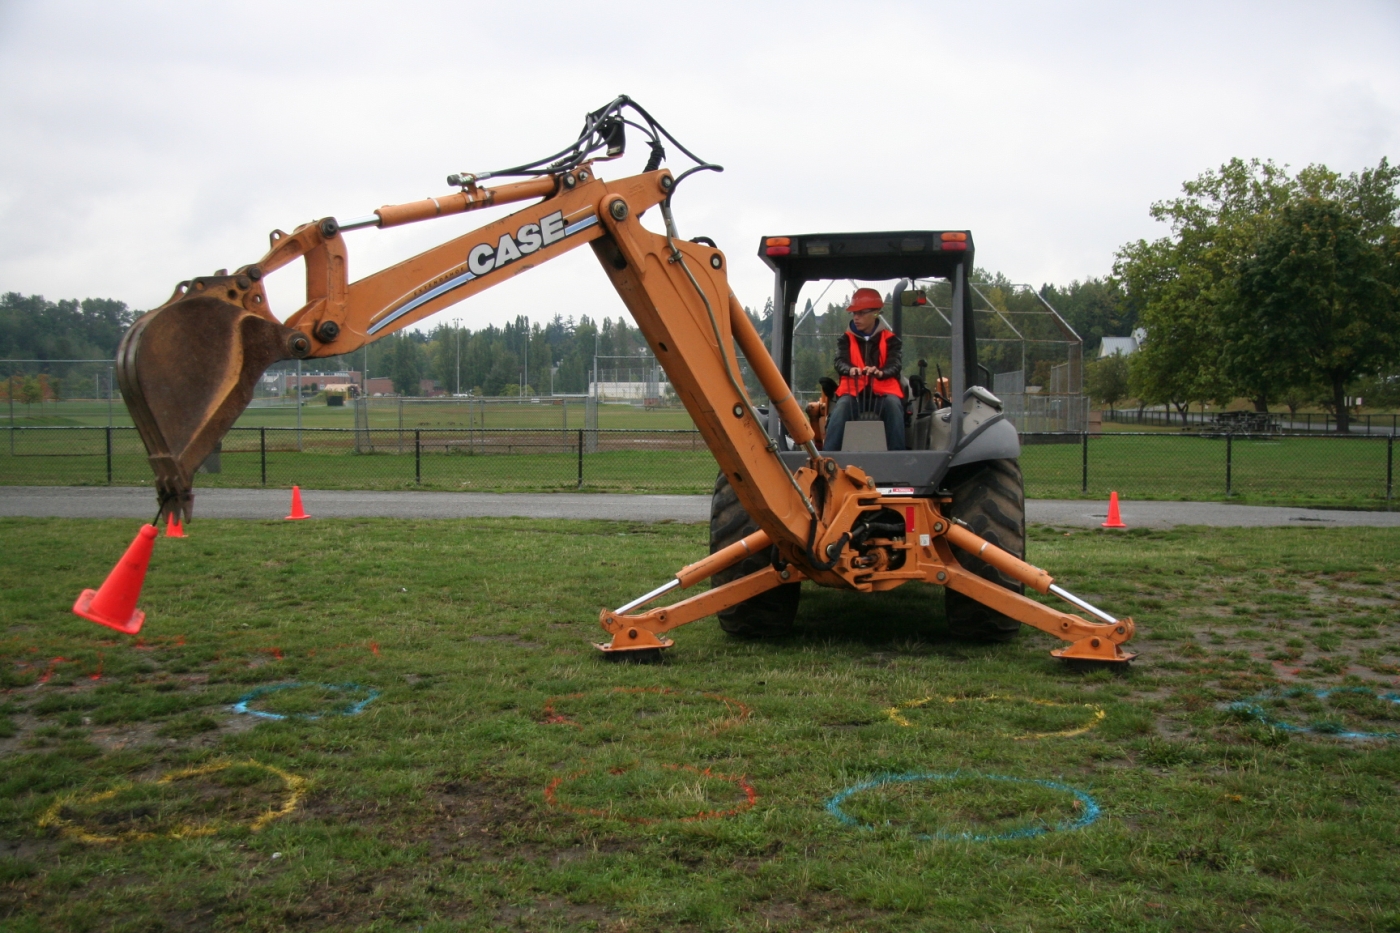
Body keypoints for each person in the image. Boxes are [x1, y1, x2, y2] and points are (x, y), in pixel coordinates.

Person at [824, 287, 905, 451]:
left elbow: (895, 364)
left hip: (883, 395)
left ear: (875, 313)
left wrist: (881, 372)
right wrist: (850, 369)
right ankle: (827, 457)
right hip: (854, 395)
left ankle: (897, 456)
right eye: (854, 313)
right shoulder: (845, 340)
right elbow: (840, 361)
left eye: (861, 313)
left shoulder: (891, 340)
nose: (856, 317)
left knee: (894, 406)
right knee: (841, 408)